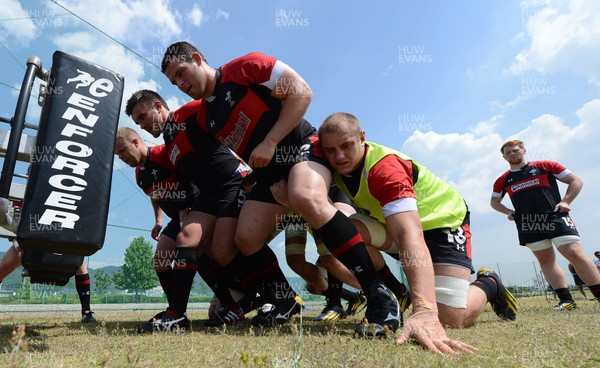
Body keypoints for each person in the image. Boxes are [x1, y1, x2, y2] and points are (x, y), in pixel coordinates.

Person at [160, 43, 417, 349]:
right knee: (246, 239)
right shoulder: (203, 116)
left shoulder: (245, 67)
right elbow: (172, 124)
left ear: (198, 59)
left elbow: (302, 92)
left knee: (304, 197)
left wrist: (270, 141)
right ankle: (285, 299)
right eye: (174, 82)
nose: (180, 84)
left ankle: (378, 291)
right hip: (268, 175)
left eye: (181, 73)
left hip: (301, 148)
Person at [317, 112, 512, 349]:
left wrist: (425, 310)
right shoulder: (327, 161)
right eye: (330, 150)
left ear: (362, 138)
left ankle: (489, 283)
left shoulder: (384, 168)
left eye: (346, 145)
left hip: (442, 222)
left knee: (450, 319)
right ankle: (394, 292)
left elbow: (410, 235)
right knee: (340, 228)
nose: (339, 156)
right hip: (396, 225)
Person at [125, 91, 298, 328]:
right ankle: (176, 314)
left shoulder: (187, 113)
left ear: (157, 105)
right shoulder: (169, 140)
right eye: (138, 122)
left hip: (232, 185)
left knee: (226, 249)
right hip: (209, 196)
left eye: (143, 117)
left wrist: (256, 160)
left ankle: (282, 296)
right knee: (187, 238)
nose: (142, 125)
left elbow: (227, 105)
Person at [491, 139, 600, 309]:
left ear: (524, 150)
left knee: (574, 253)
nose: (512, 154)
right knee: (545, 259)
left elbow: (576, 181)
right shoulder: (503, 180)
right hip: (529, 222)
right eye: (508, 152)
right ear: (504, 157)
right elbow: (494, 201)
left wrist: (566, 201)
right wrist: (508, 212)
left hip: (555, 215)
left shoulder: (545, 165)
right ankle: (567, 301)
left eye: (515, 150)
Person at [0, 239, 96, 323]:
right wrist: (16, 243)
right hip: (33, 243)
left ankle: (86, 312)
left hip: (63, 242)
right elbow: (13, 226)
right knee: (3, 266)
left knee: (80, 265)